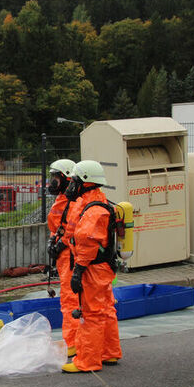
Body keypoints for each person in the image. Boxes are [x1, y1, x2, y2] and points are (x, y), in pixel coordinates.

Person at [62, 160, 122, 373]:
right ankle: (109, 352)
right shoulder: (96, 202)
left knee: (91, 314)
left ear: (85, 182)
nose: (71, 185)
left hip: (92, 269)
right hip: (101, 267)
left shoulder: (93, 210)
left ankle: (87, 361)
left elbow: (86, 241)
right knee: (105, 309)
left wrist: (78, 271)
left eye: (74, 180)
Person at [45, 158, 78, 357]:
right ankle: (73, 341)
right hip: (65, 256)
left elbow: (72, 228)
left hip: (70, 256)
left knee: (70, 300)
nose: (52, 181)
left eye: (55, 177)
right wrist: (53, 241)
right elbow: (59, 226)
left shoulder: (72, 201)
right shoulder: (64, 199)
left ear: (65, 178)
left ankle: (73, 343)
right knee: (69, 299)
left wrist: (60, 244)